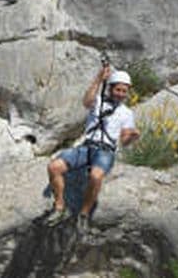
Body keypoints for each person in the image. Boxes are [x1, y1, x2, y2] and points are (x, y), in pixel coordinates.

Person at [45, 65, 140, 231]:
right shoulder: (98, 103)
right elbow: (86, 101)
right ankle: (59, 206)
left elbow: (124, 141)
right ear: (110, 88)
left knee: (96, 176)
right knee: (54, 167)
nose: (121, 94)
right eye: (118, 89)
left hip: (105, 150)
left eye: (124, 91)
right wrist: (99, 79)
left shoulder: (127, 113)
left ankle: (84, 214)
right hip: (86, 147)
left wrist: (132, 137)